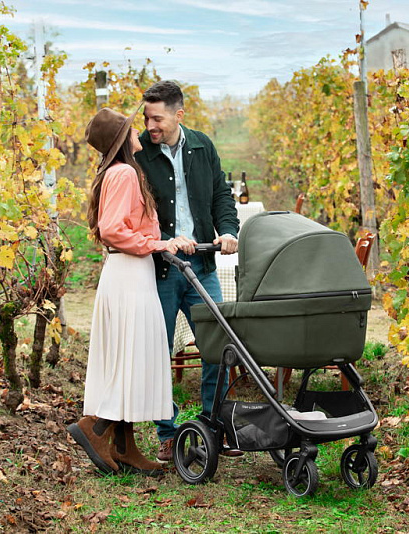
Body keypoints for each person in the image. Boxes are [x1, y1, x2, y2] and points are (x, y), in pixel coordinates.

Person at [67, 107, 187, 476]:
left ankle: (124, 447)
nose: (140, 131)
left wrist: (160, 242)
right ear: (122, 139)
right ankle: (96, 428)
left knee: (129, 356)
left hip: (129, 271)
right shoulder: (123, 173)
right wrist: (158, 245)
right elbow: (112, 229)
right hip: (129, 274)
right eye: (132, 128)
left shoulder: (119, 171)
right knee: (131, 357)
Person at [135, 80, 241, 462]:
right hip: (160, 269)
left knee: (219, 347)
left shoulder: (201, 146)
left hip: (202, 265)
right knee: (158, 352)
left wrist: (227, 230)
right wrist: (165, 240)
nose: (150, 126)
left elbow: (220, 195)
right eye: (147, 118)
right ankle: (168, 433)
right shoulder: (139, 152)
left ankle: (214, 427)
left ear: (179, 115)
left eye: (157, 118)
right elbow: (134, 212)